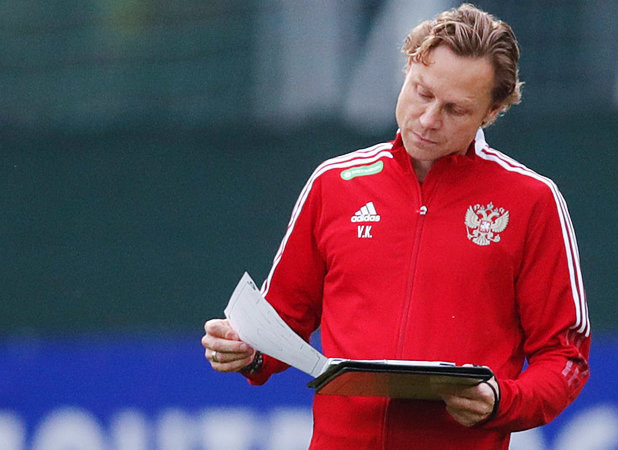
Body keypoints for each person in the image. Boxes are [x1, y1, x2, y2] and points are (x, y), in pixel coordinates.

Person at [202, 4, 590, 449]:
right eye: (422, 92)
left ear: (492, 111)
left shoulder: (532, 200)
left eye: (455, 109)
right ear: (407, 69)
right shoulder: (335, 183)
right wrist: (246, 349)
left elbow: (565, 356)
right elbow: (281, 321)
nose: (428, 119)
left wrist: (502, 400)